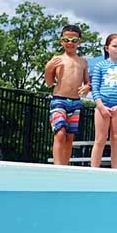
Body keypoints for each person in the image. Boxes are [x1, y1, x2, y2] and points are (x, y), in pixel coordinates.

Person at [44, 25, 90, 166]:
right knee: (60, 133)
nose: (70, 42)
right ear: (61, 41)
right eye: (66, 39)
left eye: (73, 39)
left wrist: (87, 87)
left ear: (79, 42)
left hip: (75, 102)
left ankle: (64, 166)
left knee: (70, 137)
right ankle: (57, 166)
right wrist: (48, 68)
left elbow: (87, 82)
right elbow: (49, 83)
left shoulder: (82, 62)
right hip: (59, 100)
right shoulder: (57, 59)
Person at [90, 33, 117, 168]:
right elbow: (95, 87)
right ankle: (94, 169)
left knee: (116, 139)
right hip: (102, 106)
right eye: (115, 46)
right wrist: (100, 106)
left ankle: (115, 170)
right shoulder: (100, 66)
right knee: (100, 139)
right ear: (107, 48)